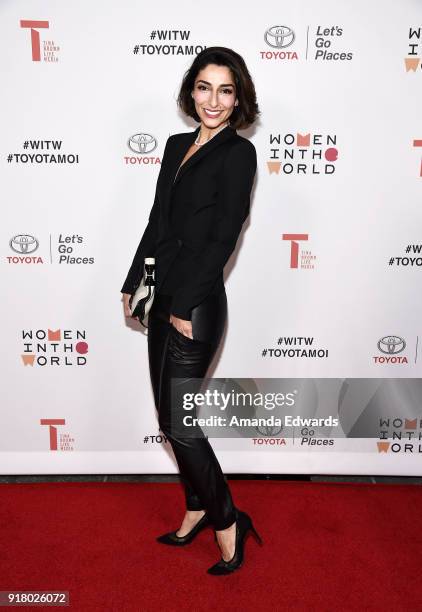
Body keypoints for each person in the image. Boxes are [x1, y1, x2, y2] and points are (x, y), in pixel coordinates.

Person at [121, 46, 262, 575]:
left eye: (225, 90)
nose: (214, 100)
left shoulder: (237, 154)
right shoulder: (177, 144)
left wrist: (183, 304)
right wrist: (136, 280)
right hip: (165, 301)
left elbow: (225, 237)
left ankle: (228, 518)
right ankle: (197, 507)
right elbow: (159, 220)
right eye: (205, 87)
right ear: (192, 90)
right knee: (169, 419)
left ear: (238, 97)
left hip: (196, 306)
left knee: (181, 424)